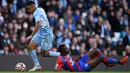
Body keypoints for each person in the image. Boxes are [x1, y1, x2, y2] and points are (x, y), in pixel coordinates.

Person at [25, 1, 60, 72]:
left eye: (29, 9)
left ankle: (61, 54)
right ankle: (37, 66)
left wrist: (31, 35)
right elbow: (42, 23)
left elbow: (38, 25)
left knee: (44, 53)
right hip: (40, 33)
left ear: (33, 6)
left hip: (46, 35)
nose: (28, 11)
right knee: (30, 47)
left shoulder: (37, 12)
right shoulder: (40, 10)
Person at [54, 44, 129, 72]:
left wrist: (80, 56)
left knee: (96, 50)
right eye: (66, 48)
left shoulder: (67, 55)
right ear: (62, 50)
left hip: (79, 62)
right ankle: (120, 62)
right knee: (99, 59)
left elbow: (72, 62)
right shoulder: (60, 59)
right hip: (80, 68)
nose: (68, 48)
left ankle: (107, 64)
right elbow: (55, 70)